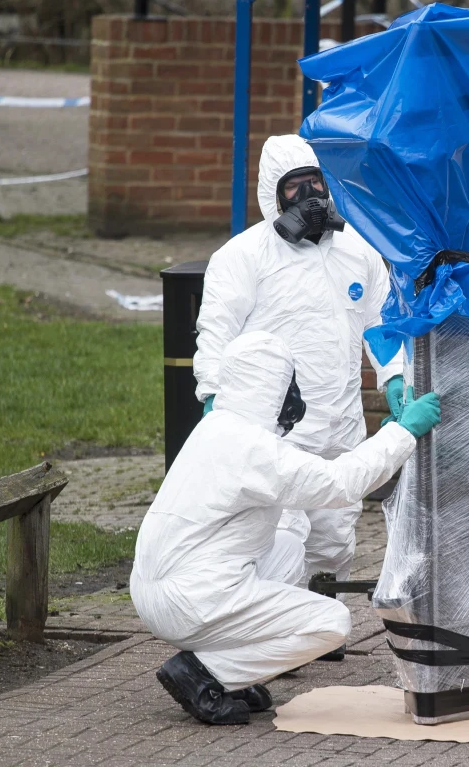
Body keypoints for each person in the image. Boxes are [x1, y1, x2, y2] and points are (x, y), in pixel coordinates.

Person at [132, 331, 441, 725]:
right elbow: (340, 483)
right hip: (188, 599)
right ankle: (206, 674)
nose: (293, 397)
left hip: (160, 584)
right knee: (332, 622)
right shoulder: (252, 449)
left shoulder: (216, 428)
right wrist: (403, 432)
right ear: (268, 388)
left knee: (289, 548)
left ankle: (233, 672)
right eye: (287, 384)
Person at [194, 135, 407, 644]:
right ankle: (269, 636)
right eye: (296, 187)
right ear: (274, 196)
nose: (310, 195)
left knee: (334, 540)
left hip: (341, 424)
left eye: (316, 183)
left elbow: (382, 327)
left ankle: (315, 625)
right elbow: (215, 333)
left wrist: (396, 378)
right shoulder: (242, 257)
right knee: (284, 537)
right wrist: (212, 399)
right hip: (276, 429)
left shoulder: (358, 252)